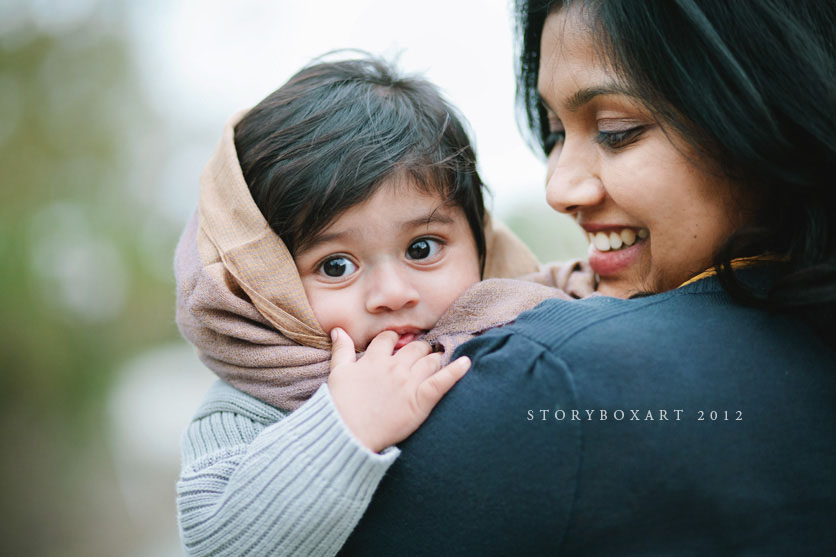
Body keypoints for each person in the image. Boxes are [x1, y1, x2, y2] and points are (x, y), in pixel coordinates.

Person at [335, 1, 836, 554]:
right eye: (554, 133)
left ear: (768, 108)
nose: (559, 188)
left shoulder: (550, 374)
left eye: (616, 130)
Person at [174, 57, 592, 556]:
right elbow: (216, 543)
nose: (393, 293)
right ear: (265, 283)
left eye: (422, 248)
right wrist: (343, 425)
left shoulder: (523, 314)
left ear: (479, 239)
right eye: (335, 266)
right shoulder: (251, 404)